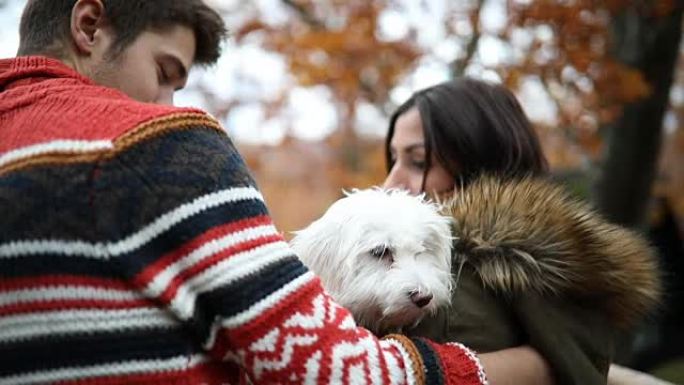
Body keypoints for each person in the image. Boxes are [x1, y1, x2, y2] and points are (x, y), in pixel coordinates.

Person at [0, 1, 525, 385]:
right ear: (88, 24)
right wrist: (525, 367)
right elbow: (326, 368)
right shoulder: (156, 144)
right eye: (164, 73)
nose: (163, 103)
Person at [382, 79, 665, 385]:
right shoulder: (393, 252)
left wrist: (411, 370)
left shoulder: (528, 262)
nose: (390, 183)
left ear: (479, 158)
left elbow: (574, 365)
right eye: (394, 159)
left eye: (418, 161)